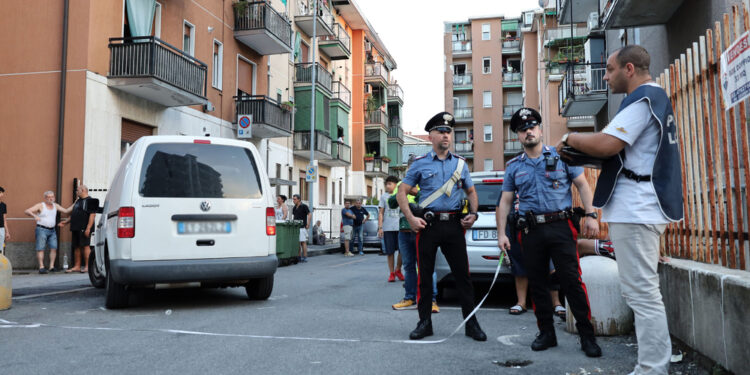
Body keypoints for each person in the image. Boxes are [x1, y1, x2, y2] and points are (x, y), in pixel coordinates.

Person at [555, 45, 683, 375]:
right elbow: (621, 154)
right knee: (640, 291)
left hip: (638, 209)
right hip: (639, 207)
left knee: (642, 294)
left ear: (629, 69)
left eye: (610, 70)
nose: (606, 76)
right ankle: (652, 365)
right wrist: (583, 152)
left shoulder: (643, 100)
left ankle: (653, 368)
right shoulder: (650, 100)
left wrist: (570, 137)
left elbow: (609, 144)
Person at [497, 107, 602, 357]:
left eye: (532, 127)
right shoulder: (513, 167)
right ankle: (546, 333)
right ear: (518, 136)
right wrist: (502, 233)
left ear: (540, 129)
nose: (528, 132)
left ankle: (587, 336)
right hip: (530, 230)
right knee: (538, 284)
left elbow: (582, 185)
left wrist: (591, 215)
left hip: (560, 226)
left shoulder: (561, 156)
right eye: (523, 130)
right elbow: (505, 202)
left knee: (572, 281)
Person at [396, 111, 486, 341]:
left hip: (454, 225)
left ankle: (471, 324)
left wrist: (474, 214)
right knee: (424, 277)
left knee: (463, 277)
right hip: (429, 226)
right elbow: (402, 193)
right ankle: (424, 323)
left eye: (448, 131)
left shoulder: (460, 164)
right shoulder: (419, 164)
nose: (446, 135)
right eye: (441, 132)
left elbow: (471, 191)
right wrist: (411, 219)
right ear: (431, 137)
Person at [389, 158, 440, 314]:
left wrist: (416, 192)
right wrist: (401, 193)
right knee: (409, 266)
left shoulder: (426, 183)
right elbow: (392, 203)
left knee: (426, 266)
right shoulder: (401, 184)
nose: (411, 172)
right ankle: (409, 297)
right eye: (409, 169)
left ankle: (431, 300)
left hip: (422, 231)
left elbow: (433, 201)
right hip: (404, 231)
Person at [24, 191, 73, 273]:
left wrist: (76, 203)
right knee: (40, 248)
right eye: (49, 197)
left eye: (52, 197)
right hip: (41, 229)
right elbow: (27, 211)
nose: (51, 198)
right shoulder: (41, 205)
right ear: (45, 198)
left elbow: (66, 211)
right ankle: (41, 267)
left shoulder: (55, 205)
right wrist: (35, 216)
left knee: (54, 248)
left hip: (52, 230)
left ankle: (51, 266)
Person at [59, 184, 98, 273]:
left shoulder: (91, 201)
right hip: (75, 227)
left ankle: (88, 267)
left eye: (77, 190)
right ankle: (77, 266)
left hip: (84, 228)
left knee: (85, 246)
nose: (76, 192)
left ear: (83, 190)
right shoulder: (78, 201)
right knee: (76, 247)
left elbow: (92, 215)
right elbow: (74, 214)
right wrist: (66, 222)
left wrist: (88, 228)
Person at [379, 176, 403, 282]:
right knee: (390, 252)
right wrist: (380, 228)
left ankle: (398, 269)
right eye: (386, 184)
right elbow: (381, 213)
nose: (387, 186)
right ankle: (391, 273)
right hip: (388, 227)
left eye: (390, 184)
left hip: (401, 227)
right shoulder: (384, 197)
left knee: (402, 251)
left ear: (396, 184)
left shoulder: (401, 194)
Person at [292, 194, 312, 262]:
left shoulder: (304, 206)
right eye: (293, 199)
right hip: (296, 227)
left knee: (303, 242)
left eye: (295, 199)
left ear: (299, 199)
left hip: (302, 227)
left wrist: (308, 224)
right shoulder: (294, 207)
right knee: (297, 243)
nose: (293, 201)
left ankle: (305, 256)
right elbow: (294, 217)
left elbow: (309, 214)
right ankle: (299, 256)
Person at [0, 187, 9, 255]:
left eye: (1, 193)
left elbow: (4, 219)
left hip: (1, 228)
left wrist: (7, 232)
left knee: (0, 249)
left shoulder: (3, 205)